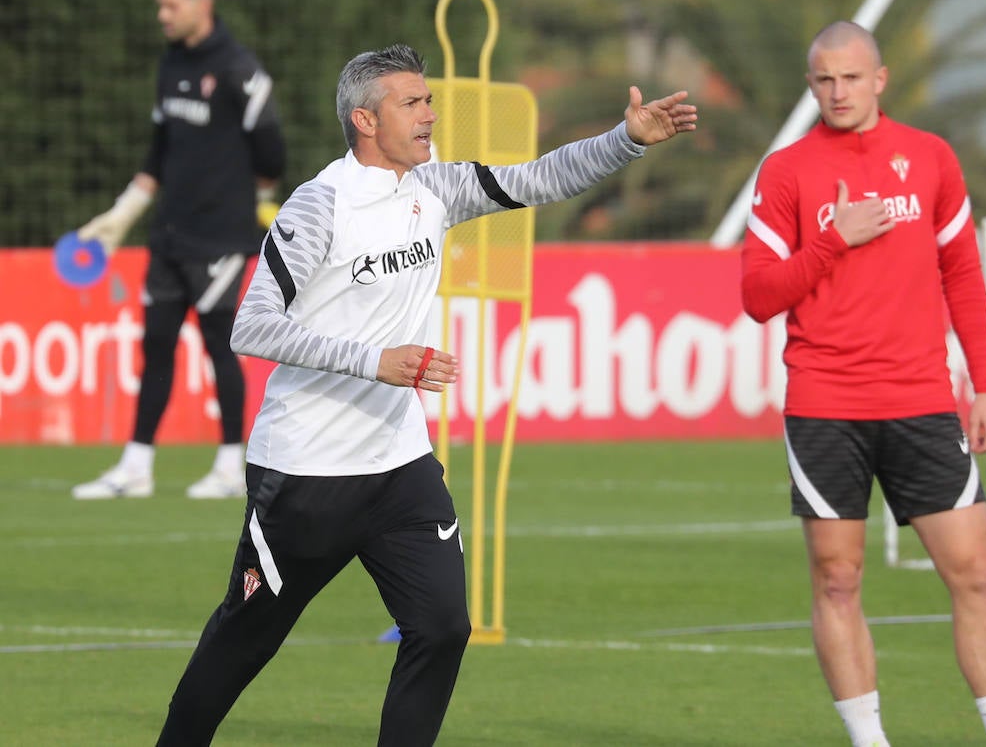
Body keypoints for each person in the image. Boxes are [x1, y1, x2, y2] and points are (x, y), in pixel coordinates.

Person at [154, 43, 696, 745]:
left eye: (429, 100)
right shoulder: (320, 204)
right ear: (365, 120)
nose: (430, 115)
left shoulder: (435, 187)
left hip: (400, 466)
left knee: (442, 627)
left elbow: (537, 178)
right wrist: (372, 361)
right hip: (305, 473)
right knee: (246, 639)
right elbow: (252, 326)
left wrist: (625, 141)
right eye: (411, 102)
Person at [741, 21, 986, 747]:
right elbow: (759, 295)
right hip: (824, 406)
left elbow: (962, 275)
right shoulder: (785, 171)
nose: (837, 92)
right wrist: (834, 237)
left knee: (975, 574)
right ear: (812, 86)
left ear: (880, 79)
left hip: (923, 402)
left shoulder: (930, 158)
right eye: (823, 80)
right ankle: (870, 741)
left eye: (850, 77)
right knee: (837, 581)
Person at [73, 0, 287, 500]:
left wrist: (243, 200)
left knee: (220, 345)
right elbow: (158, 153)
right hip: (169, 235)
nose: (162, 15)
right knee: (157, 346)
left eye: (170, 5)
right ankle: (136, 466)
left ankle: (228, 467)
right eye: (160, 5)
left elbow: (272, 155)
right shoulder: (170, 63)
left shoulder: (240, 71)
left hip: (219, 240)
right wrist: (123, 214)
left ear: (201, 3)